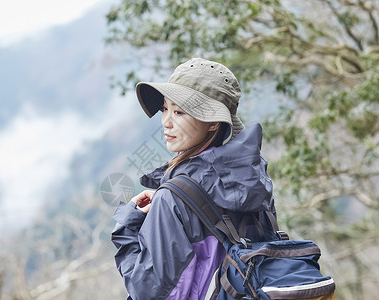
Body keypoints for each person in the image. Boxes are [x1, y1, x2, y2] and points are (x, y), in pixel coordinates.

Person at [111, 58, 277, 300]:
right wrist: (183, 199)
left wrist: (128, 226)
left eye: (179, 111)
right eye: (165, 108)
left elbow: (147, 291)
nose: (166, 122)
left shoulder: (172, 198)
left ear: (212, 124)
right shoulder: (253, 180)